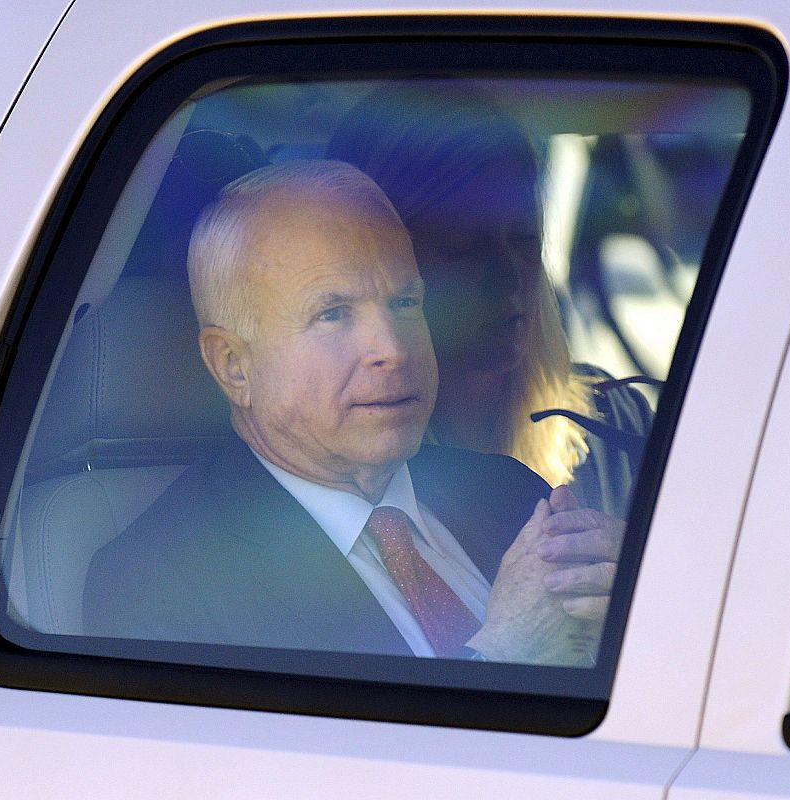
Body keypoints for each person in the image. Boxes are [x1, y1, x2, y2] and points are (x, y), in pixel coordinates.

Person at [83, 160, 615, 665]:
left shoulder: (510, 494)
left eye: (405, 303)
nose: (393, 350)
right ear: (234, 366)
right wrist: (507, 655)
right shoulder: (159, 587)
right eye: (333, 314)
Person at [326, 80, 654, 523]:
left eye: (525, 238)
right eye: (464, 250)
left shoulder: (613, 425)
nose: (509, 278)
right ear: (374, 264)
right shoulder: (347, 477)